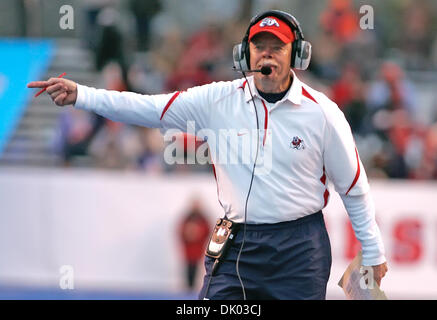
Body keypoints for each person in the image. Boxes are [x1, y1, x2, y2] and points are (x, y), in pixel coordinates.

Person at [27, 10, 387, 300]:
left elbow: (353, 186)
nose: (266, 54)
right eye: (258, 46)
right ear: (244, 54)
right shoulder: (217, 98)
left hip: (299, 248)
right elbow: (148, 108)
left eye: (276, 47)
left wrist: (372, 253)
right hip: (236, 244)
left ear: (297, 55)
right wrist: (81, 95)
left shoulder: (323, 113)